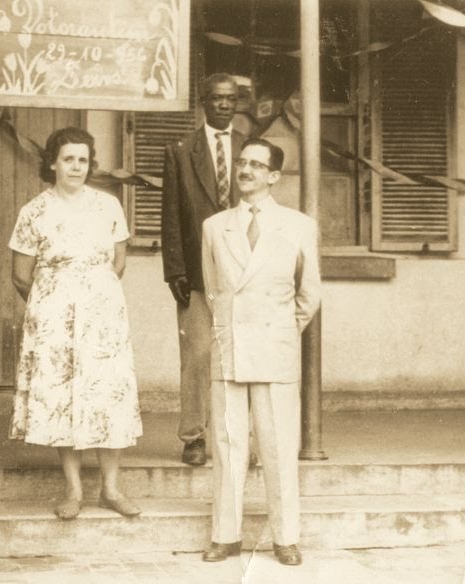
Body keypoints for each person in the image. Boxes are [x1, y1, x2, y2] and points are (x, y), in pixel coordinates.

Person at [9, 127, 143, 520]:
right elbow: (20, 275)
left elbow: (118, 262)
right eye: (68, 159)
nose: (76, 167)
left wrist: (92, 296)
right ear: (52, 162)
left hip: (103, 315)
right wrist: (52, 306)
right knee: (64, 396)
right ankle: (73, 489)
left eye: (83, 160)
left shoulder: (108, 206)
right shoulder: (34, 210)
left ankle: (112, 488)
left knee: (107, 393)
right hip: (54, 317)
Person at [199, 138, 321, 566]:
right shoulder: (215, 226)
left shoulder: (298, 225)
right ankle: (225, 536)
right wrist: (233, 328)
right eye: (242, 162)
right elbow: (214, 289)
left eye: (256, 164)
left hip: (275, 348)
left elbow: (309, 293)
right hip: (230, 346)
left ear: (274, 176)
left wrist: (282, 330)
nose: (245, 170)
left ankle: (285, 537)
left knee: (278, 444)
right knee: (228, 442)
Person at [161, 73, 246, 466]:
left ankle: (239, 435)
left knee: (241, 354)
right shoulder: (181, 150)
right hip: (196, 272)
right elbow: (172, 215)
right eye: (216, 99)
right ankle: (194, 436)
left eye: (230, 99)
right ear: (203, 102)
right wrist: (175, 269)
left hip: (243, 273)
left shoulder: (250, 149)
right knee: (196, 355)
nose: (224, 105)